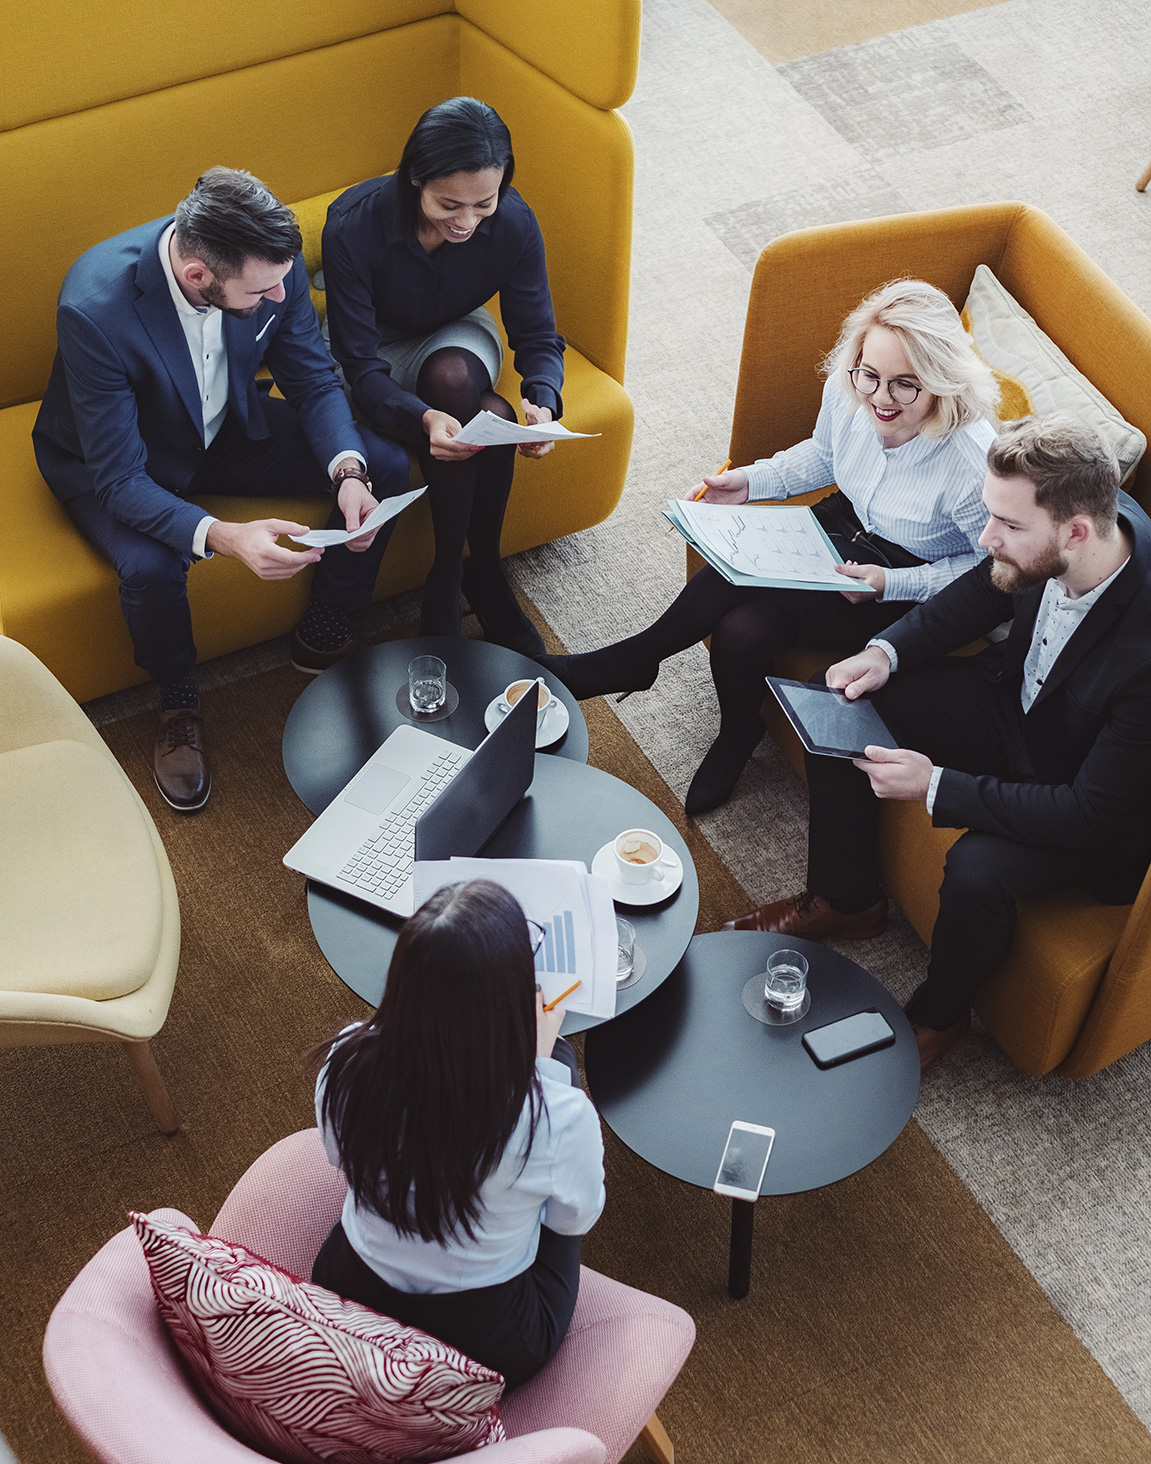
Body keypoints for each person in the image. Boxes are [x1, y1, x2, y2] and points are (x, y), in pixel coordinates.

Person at [725, 414, 1151, 1071]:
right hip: (1018, 703)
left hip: (1088, 791)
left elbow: (1090, 811)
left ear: (1075, 532)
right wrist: (886, 651)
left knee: (977, 874)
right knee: (837, 699)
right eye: (991, 516)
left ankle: (939, 1017)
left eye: (1007, 527)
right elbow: (987, 585)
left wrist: (931, 784)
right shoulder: (1072, 520)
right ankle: (847, 899)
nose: (988, 538)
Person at [536, 279, 1000, 815]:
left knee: (743, 622)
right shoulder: (850, 388)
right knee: (738, 609)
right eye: (870, 375)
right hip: (841, 523)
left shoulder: (971, 461)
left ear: (942, 382)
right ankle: (727, 723)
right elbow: (826, 455)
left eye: (904, 386)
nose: (879, 398)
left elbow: (990, 570)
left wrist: (894, 582)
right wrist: (753, 482)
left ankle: (638, 669)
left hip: (898, 578)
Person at [32, 167, 413, 813]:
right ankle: (177, 698)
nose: (278, 297)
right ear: (197, 277)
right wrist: (227, 537)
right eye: (262, 291)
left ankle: (327, 622)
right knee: (151, 567)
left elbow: (315, 382)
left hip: (223, 426)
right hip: (118, 462)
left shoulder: (269, 269)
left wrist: (349, 473)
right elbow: (120, 479)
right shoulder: (94, 310)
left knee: (383, 464)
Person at [311, 880, 605, 1388]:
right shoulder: (556, 1117)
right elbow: (576, 1218)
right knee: (561, 1063)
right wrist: (541, 1067)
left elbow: (341, 1160)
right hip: (487, 1338)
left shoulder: (344, 1062)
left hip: (351, 1286)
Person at [321, 97, 565, 656]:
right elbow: (359, 365)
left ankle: (455, 572)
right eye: (449, 204)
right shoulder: (353, 225)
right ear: (414, 178)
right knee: (491, 414)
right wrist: (421, 417)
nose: (467, 222)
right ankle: (473, 575)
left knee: (458, 381)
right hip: (372, 348)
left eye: (484, 204)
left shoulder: (513, 221)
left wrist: (544, 401)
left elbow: (536, 332)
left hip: (456, 332)